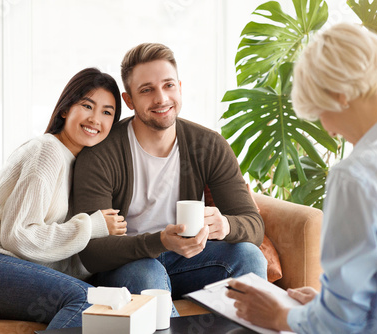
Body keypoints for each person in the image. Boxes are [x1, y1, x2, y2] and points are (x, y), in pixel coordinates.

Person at [227, 23, 377, 333]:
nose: (328, 128)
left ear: (340, 94)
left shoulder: (357, 175)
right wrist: (325, 303)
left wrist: (280, 317)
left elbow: (341, 325)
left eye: (320, 111)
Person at [71, 43, 267, 314]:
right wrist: (160, 241)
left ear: (180, 87)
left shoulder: (208, 145)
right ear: (129, 101)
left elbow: (253, 225)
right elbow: (91, 252)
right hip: (128, 265)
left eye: (168, 85)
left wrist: (225, 225)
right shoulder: (102, 154)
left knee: (249, 256)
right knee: (147, 272)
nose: (161, 98)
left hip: (189, 261)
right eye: (147, 90)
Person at [0, 68, 126, 329]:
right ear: (65, 109)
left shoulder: (81, 165)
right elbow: (18, 236)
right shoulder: (47, 150)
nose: (96, 119)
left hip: (2, 264)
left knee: (103, 303)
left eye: (107, 112)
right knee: (87, 303)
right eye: (87, 105)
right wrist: (91, 226)